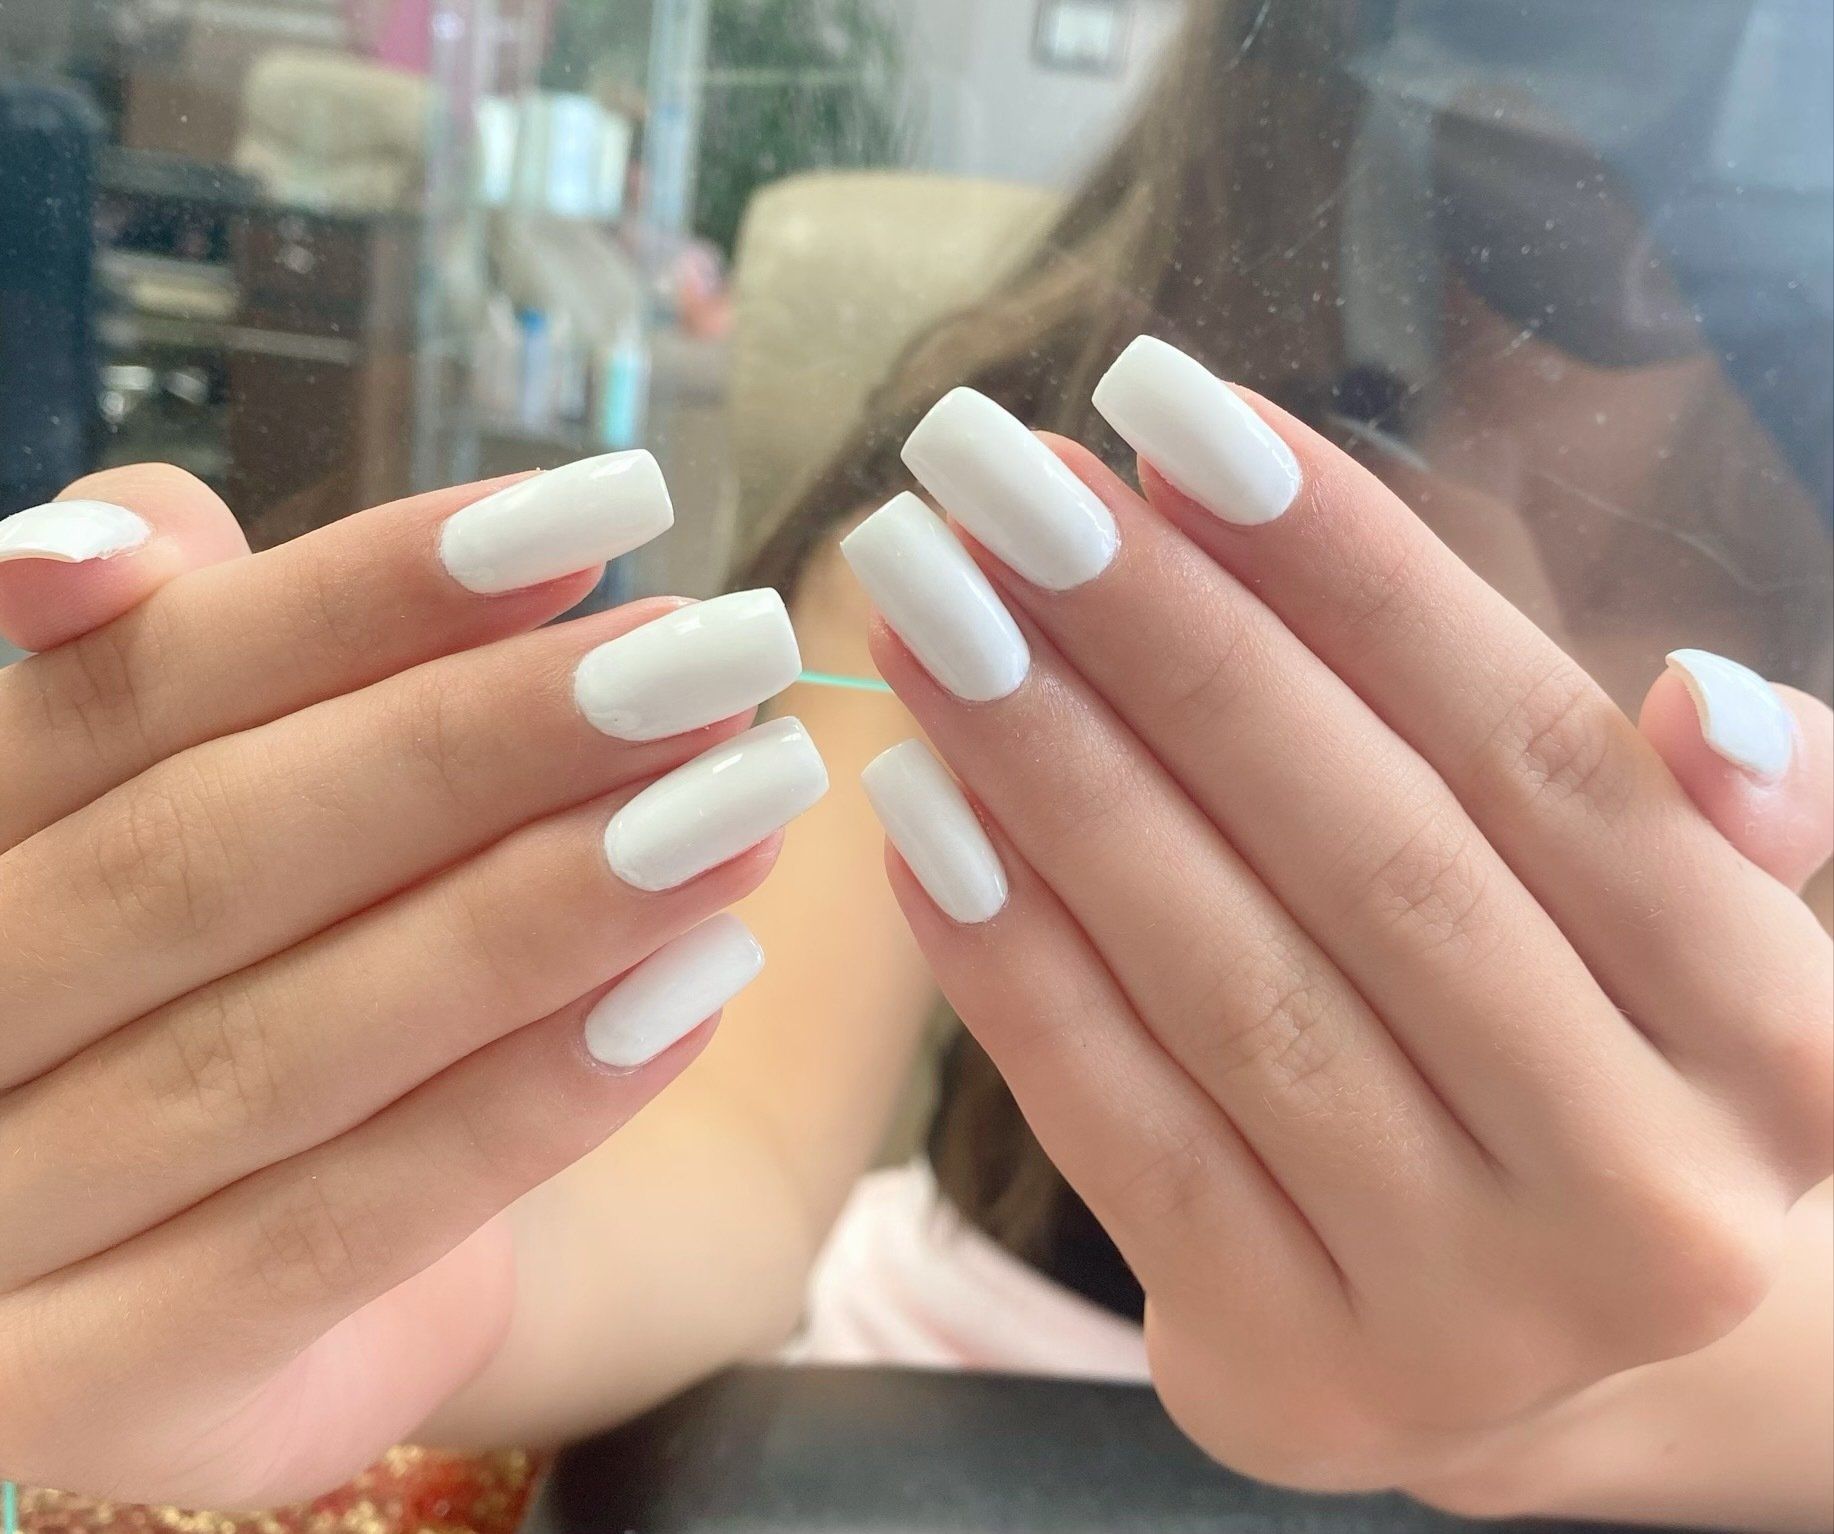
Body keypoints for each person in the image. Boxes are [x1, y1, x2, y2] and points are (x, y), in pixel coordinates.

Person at [2, 1, 1829, 1527]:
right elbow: (725, 1147)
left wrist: (1567, 1408)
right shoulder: (1047, 457)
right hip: (914, 1433)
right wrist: (411, 1246)